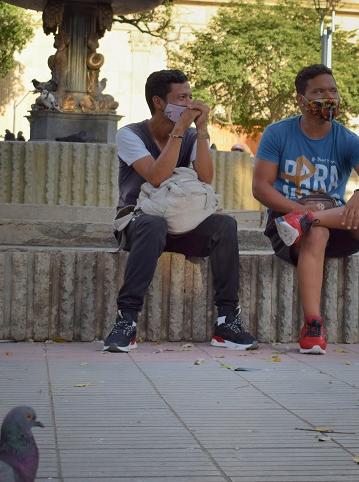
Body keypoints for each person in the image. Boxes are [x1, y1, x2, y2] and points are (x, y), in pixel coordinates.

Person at [104, 69, 258, 353]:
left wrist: (200, 131)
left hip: (182, 222)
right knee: (153, 225)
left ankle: (227, 321)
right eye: (181, 98)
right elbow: (156, 176)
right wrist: (179, 131)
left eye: (191, 96)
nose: (190, 104)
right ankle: (126, 320)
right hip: (139, 225)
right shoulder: (130, 135)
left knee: (225, 226)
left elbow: (206, 177)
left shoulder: (189, 136)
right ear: (159, 102)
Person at [253, 64, 359, 354]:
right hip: (287, 227)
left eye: (333, 90)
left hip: (335, 221)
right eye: (318, 92)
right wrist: (296, 210)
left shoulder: (347, 139)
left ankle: (310, 219)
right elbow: (261, 188)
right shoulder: (278, 134)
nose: (328, 97)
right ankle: (313, 325)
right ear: (301, 100)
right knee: (316, 234)